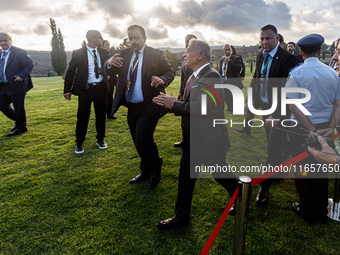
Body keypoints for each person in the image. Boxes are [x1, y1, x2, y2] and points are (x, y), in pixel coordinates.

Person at [154, 39, 238, 230]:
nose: (185, 54)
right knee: (185, 179)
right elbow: (188, 103)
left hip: (210, 141)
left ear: (201, 55)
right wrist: (171, 101)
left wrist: (173, 104)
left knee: (221, 175)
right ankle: (181, 217)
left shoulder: (212, 76)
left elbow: (203, 108)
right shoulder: (193, 76)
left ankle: (241, 195)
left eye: (188, 50)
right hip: (193, 141)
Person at [105, 25, 175, 190]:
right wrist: (108, 62)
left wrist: (162, 79)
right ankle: (145, 171)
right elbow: (106, 69)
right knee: (138, 140)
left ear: (145, 38)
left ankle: (155, 168)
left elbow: (169, 71)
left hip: (151, 104)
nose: (132, 41)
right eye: (130, 38)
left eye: (136, 37)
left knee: (143, 138)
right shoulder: (122, 54)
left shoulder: (157, 54)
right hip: (132, 106)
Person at [237, 24, 298, 204]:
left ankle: (264, 187)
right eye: (262, 38)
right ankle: (279, 170)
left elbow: (290, 91)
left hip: (279, 113)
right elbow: (256, 79)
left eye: (268, 38)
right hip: (265, 110)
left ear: (277, 39)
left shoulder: (288, 59)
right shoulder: (260, 56)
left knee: (272, 149)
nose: (264, 42)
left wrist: (278, 115)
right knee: (275, 143)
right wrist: (250, 100)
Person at [285, 33, 340, 223]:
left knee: (303, 170)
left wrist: (311, 129)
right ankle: (321, 209)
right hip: (326, 127)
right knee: (323, 168)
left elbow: (293, 105)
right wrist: (331, 126)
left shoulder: (297, 73)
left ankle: (307, 210)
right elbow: (338, 104)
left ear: (301, 52)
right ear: (319, 51)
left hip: (303, 128)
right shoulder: (332, 73)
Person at [64, 30, 110, 154]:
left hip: (101, 88)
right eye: (99, 37)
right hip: (85, 90)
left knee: (101, 115)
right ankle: (79, 142)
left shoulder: (104, 52)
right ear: (91, 39)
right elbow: (71, 72)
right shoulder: (78, 53)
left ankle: (100, 139)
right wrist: (67, 90)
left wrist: (108, 75)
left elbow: (109, 67)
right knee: (83, 116)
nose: (102, 39)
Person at [0, 32, 34, 136]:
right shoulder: (0, 53)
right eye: (1, 41)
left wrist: (21, 75)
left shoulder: (18, 52)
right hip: (3, 85)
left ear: (11, 40)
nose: (3, 43)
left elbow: (29, 64)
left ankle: (22, 127)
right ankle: (19, 121)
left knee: (18, 106)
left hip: (16, 84)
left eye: (5, 40)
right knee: (2, 104)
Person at [174, 34, 197, 148]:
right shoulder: (184, 57)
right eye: (186, 41)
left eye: (191, 41)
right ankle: (184, 140)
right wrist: (181, 92)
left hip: (195, 90)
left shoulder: (198, 56)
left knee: (192, 116)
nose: (188, 42)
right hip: (185, 90)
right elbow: (183, 77)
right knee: (184, 117)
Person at [218, 44, 244, 112]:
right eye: (226, 50)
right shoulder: (221, 60)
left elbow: (238, 68)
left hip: (233, 80)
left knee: (233, 96)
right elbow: (220, 71)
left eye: (229, 50)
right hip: (224, 80)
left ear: (231, 50)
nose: (228, 51)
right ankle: (230, 108)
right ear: (223, 51)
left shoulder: (236, 58)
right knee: (226, 95)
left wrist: (230, 62)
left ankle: (234, 108)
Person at [101, 40, 117, 119]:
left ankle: (110, 114)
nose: (108, 46)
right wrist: (105, 75)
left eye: (109, 44)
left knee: (110, 97)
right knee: (103, 98)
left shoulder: (110, 55)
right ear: (102, 46)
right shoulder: (99, 56)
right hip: (103, 81)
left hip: (111, 79)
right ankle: (102, 115)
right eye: (106, 45)